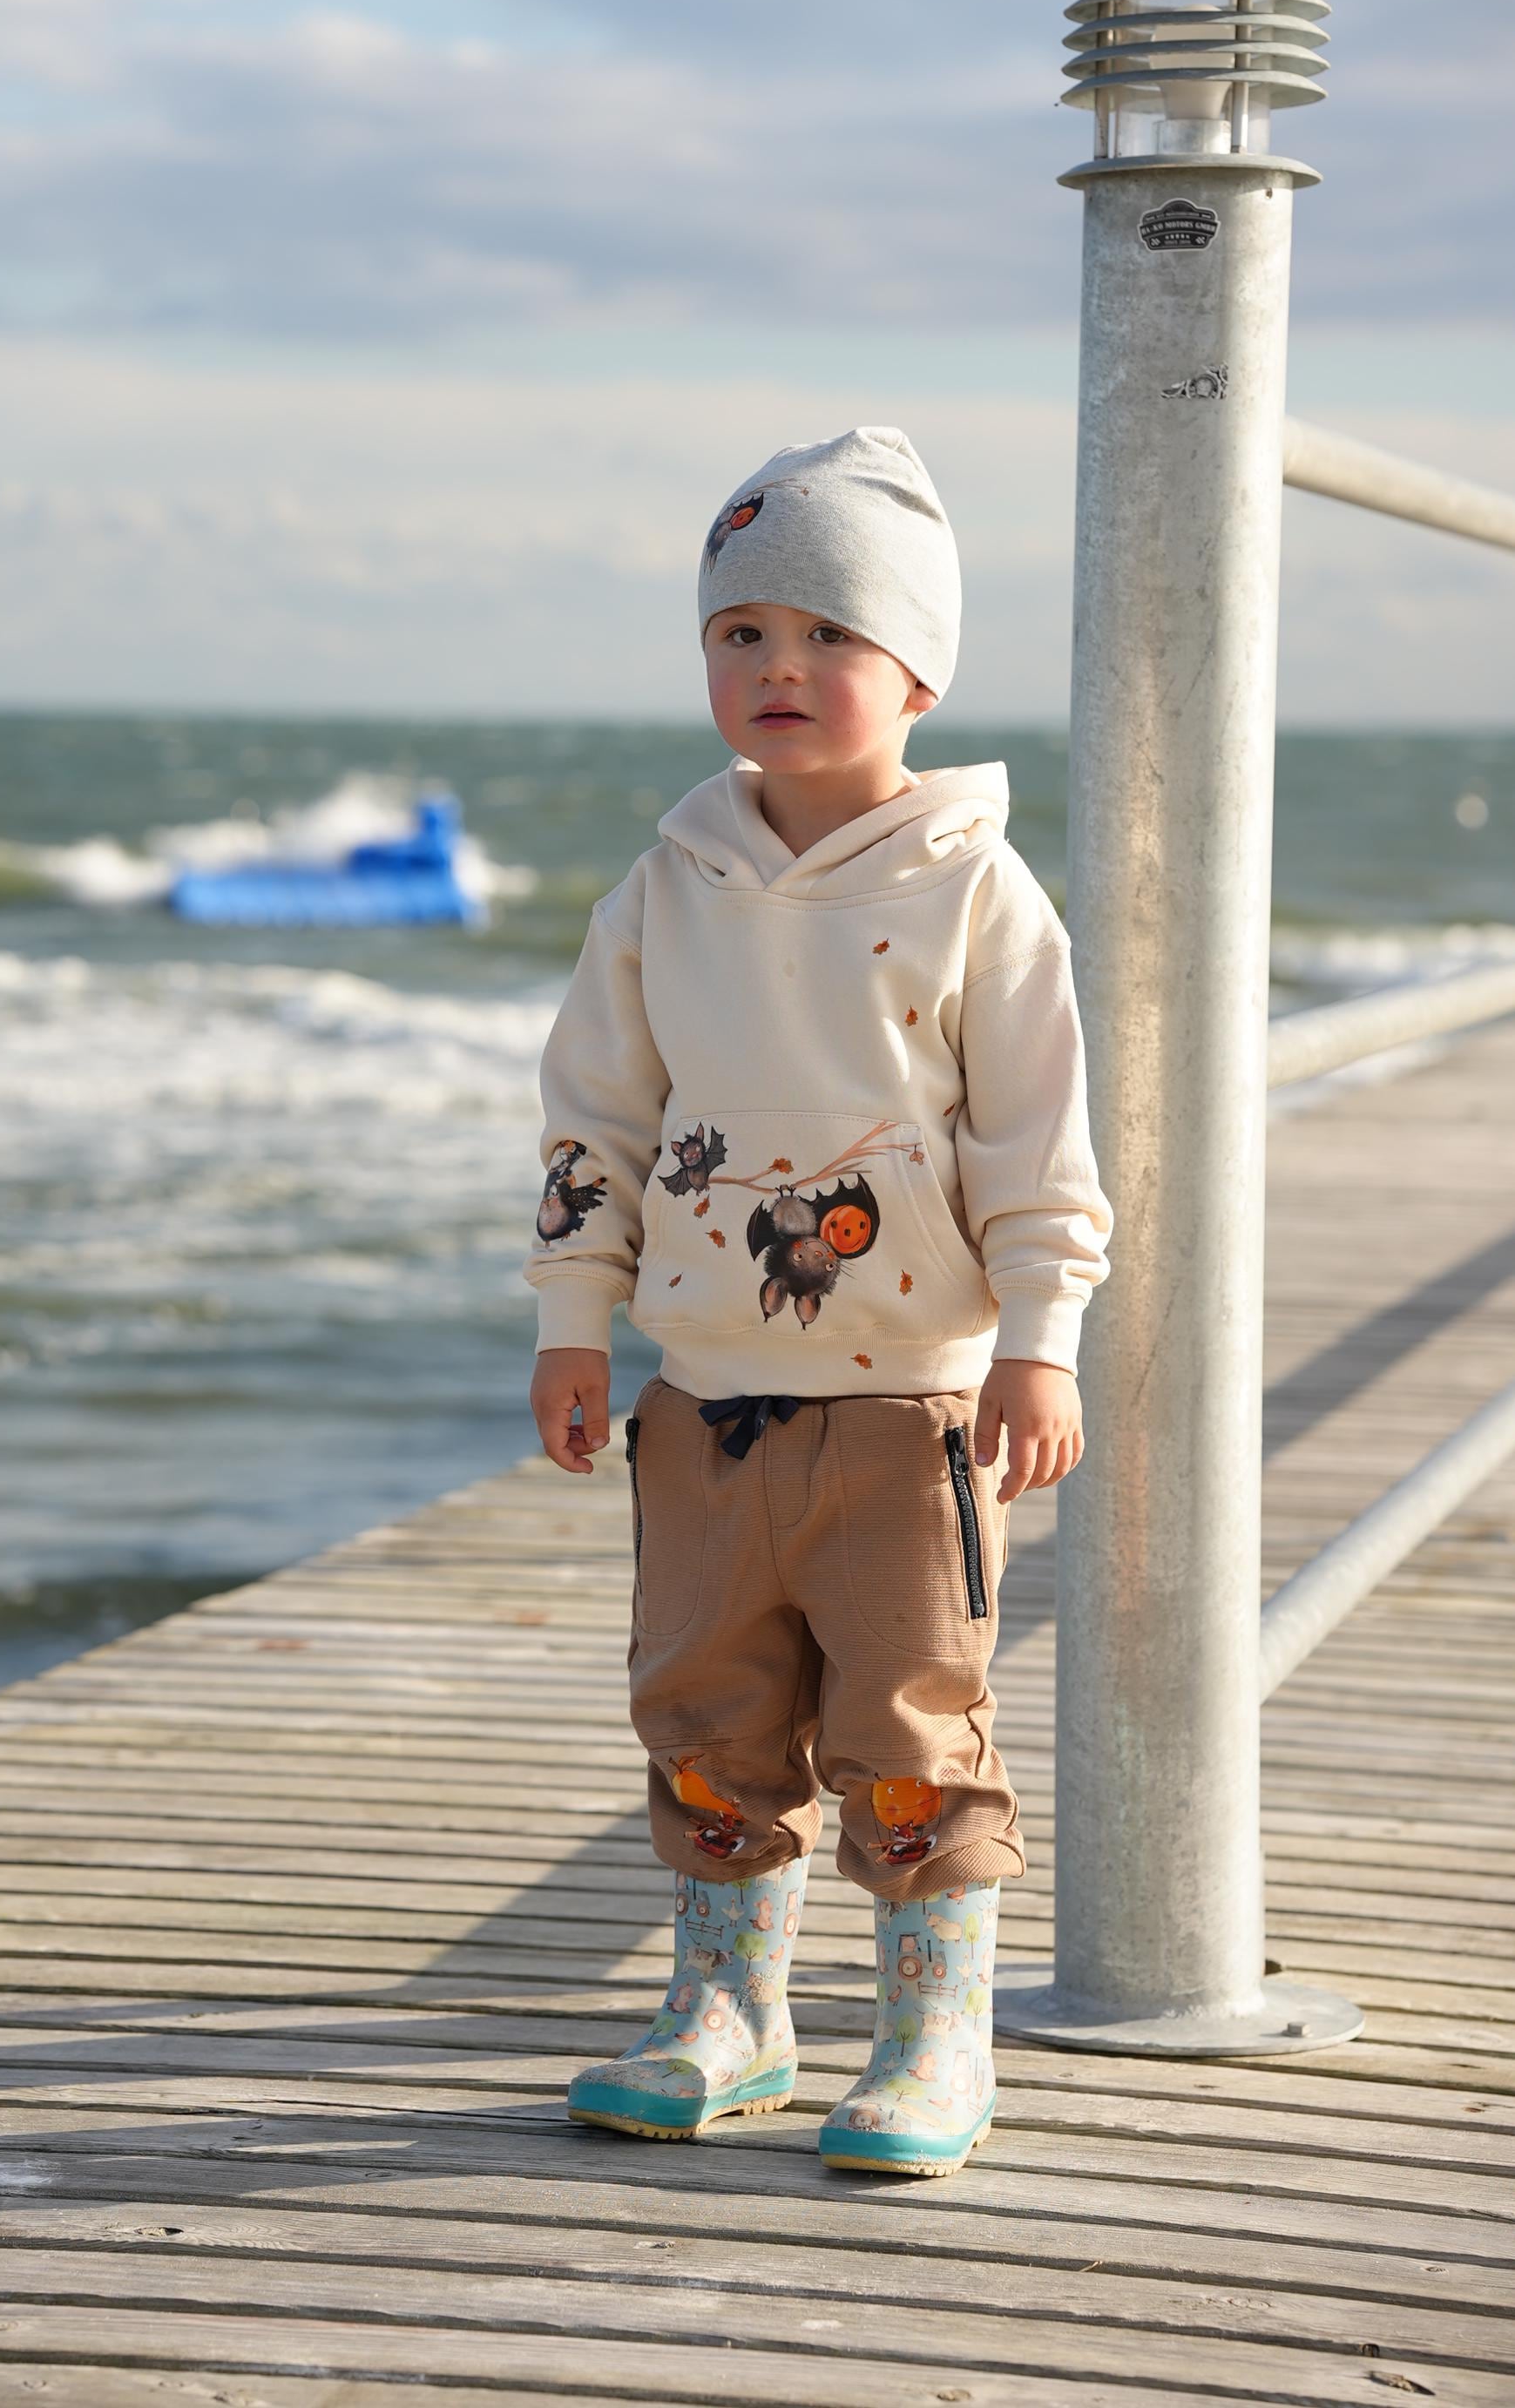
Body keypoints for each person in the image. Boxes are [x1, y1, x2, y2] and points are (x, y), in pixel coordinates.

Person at [524, 426, 1111, 2177]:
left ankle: (936, 2033)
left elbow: (1035, 1136)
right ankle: (734, 2011)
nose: (779, 669)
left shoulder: (977, 893)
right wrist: (573, 1314)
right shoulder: (663, 890)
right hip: (701, 1403)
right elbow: (597, 1119)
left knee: (911, 1724)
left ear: (918, 669)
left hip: (909, 1408)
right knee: (706, 1711)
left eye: (828, 637)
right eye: (741, 634)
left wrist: (1040, 1338)